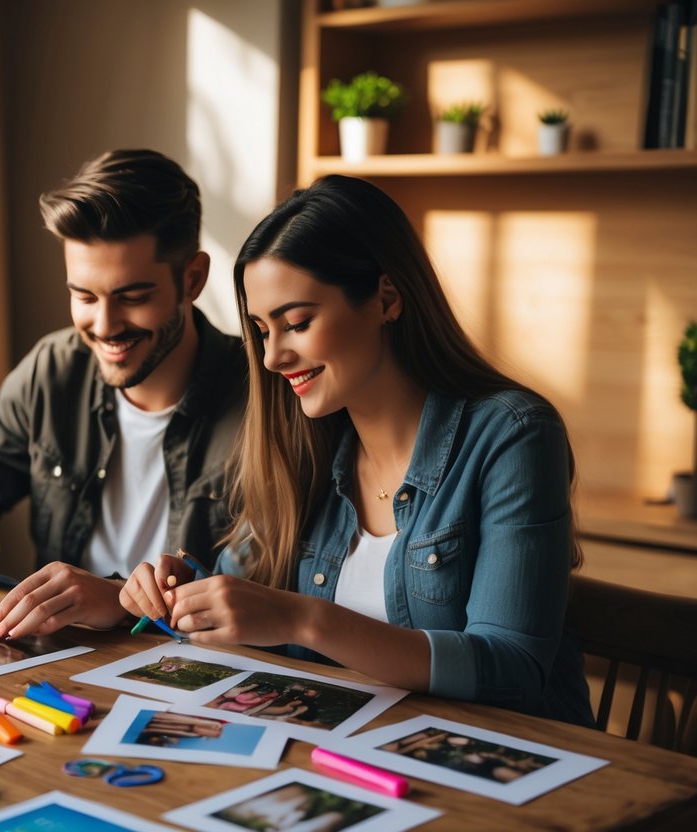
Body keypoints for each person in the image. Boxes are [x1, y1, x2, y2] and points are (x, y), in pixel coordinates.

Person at [120, 175, 593, 726]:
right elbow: (241, 589)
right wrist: (168, 591)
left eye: (297, 322)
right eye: (261, 330)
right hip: (340, 754)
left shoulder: (513, 434)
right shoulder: (303, 444)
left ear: (386, 299)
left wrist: (305, 621)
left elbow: (512, 668)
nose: (273, 357)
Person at [0, 149, 247, 639]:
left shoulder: (263, 401)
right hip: (56, 668)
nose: (104, 327)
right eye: (84, 297)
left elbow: (263, 589)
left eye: (132, 297)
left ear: (191, 279)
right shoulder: (52, 369)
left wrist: (120, 600)